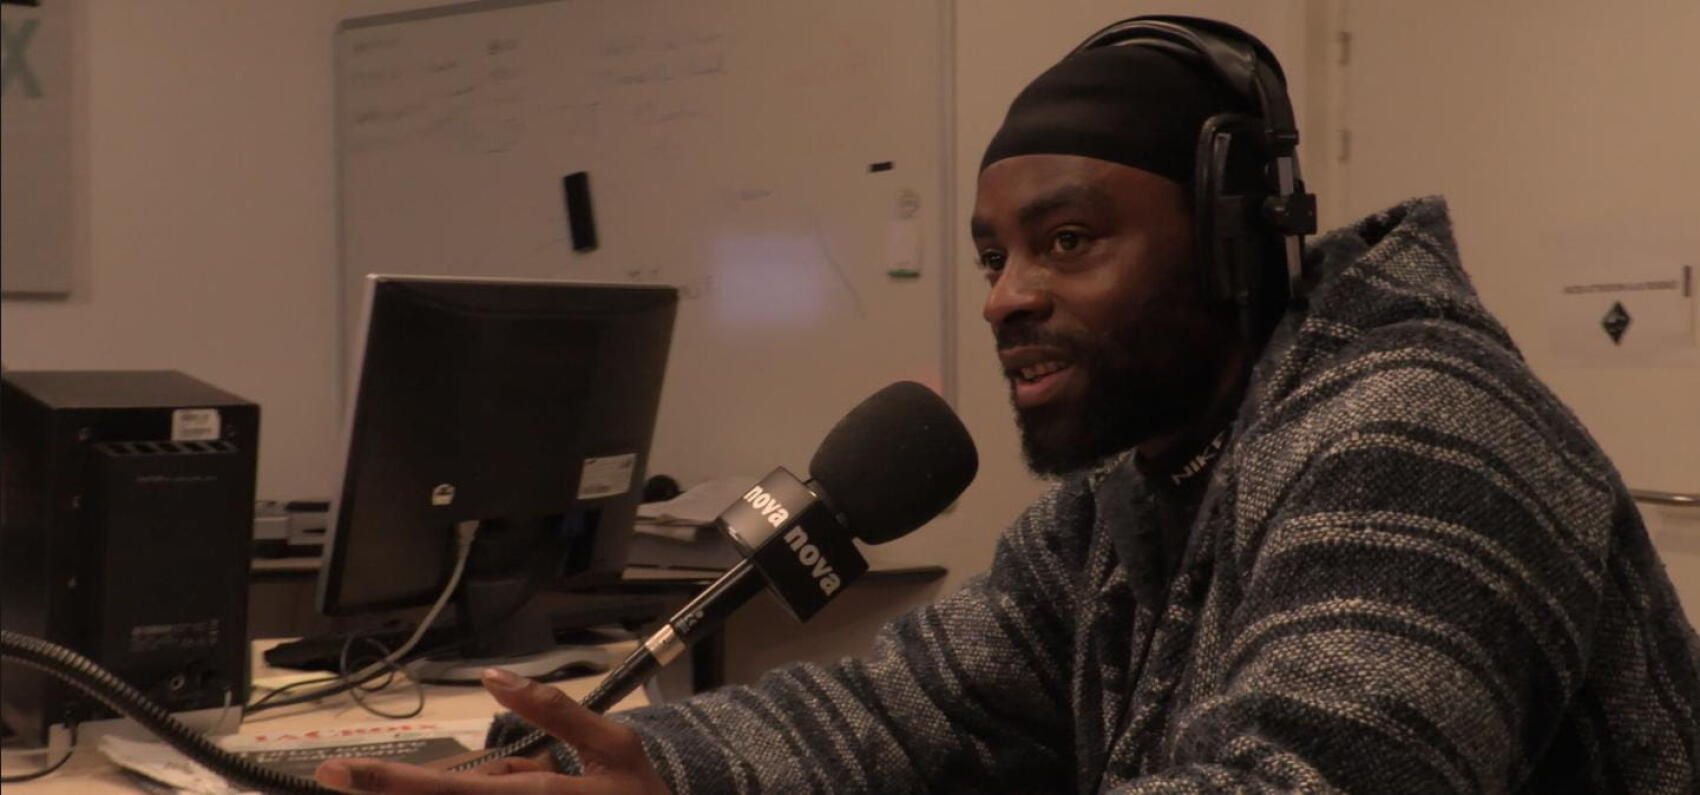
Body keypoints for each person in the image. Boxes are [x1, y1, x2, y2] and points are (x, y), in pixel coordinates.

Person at [316, 16, 1700, 794]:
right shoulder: (1132, 497)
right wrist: (650, 771)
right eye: (994, 258)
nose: (1006, 300)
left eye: (1068, 242)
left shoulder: (1413, 433)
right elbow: (905, 712)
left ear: (1234, 242)